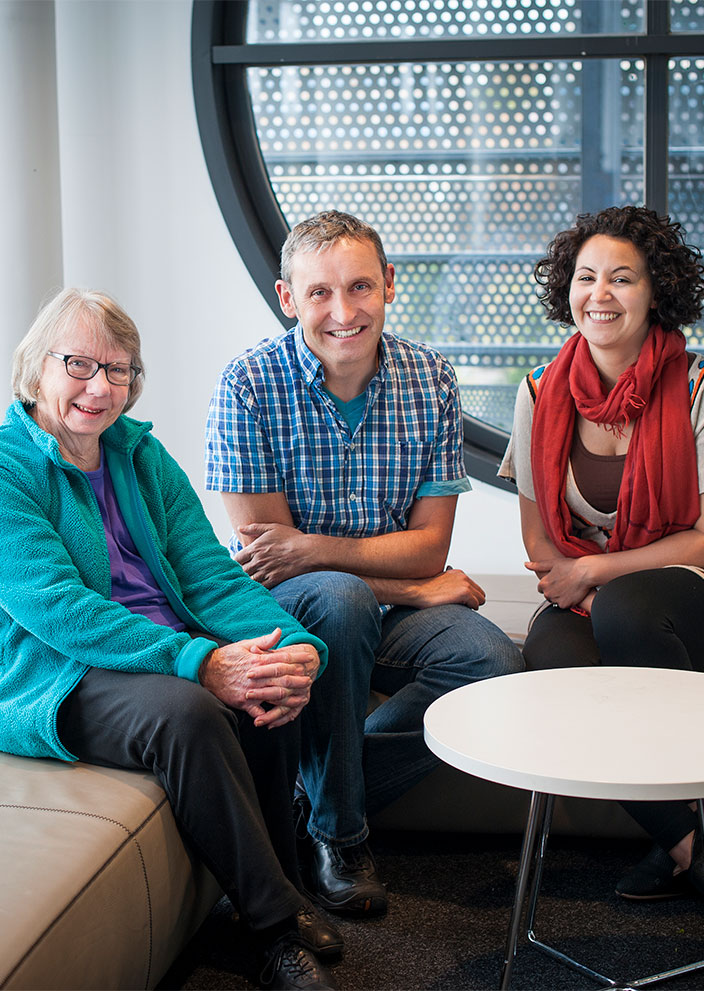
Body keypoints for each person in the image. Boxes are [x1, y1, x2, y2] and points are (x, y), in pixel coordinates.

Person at [0, 288, 342, 991]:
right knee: (188, 711)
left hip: (154, 652)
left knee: (268, 673)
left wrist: (293, 642)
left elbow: (209, 574)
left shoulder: (140, 455)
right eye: (80, 364)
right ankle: (272, 929)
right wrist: (198, 661)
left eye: (120, 369)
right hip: (53, 671)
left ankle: (285, 882)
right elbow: (61, 611)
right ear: (36, 366)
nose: (101, 388)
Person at [205, 211, 524, 919]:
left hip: (387, 612)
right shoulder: (248, 386)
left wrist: (320, 547)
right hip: (288, 614)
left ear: (388, 285)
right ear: (288, 298)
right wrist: (412, 586)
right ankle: (339, 836)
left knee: (490, 665)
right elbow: (271, 566)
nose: (343, 312)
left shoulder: (429, 377)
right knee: (341, 600)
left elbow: (428, 548)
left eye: (359, 287)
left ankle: (305, 796)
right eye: (319, 293)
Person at [499, 205, 704, 922]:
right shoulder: (538, 392)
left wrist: (591, 573)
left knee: (625, 611)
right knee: (555, 654)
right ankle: (694, 845)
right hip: (600, 595)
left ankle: (685, 845)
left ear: (658, 292)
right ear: (567, 288)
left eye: (623, 278)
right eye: (586, 276)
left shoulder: (703, 386)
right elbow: (539, 540)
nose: (601, 294)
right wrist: (579, 576)